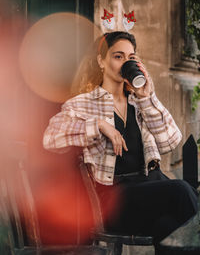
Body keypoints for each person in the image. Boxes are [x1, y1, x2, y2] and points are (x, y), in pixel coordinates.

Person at [43, 31, 198, 244]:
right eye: (118, 56)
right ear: (101, 61)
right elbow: (51, 138)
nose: (126, 62)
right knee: (181, 190)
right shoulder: (84, 103)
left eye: (131, 57)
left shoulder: (139, 102)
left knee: (169, 226)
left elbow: (170, 141)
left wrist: (147, 98)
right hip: (113, 200)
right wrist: (98, 125)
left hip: (149, 190)